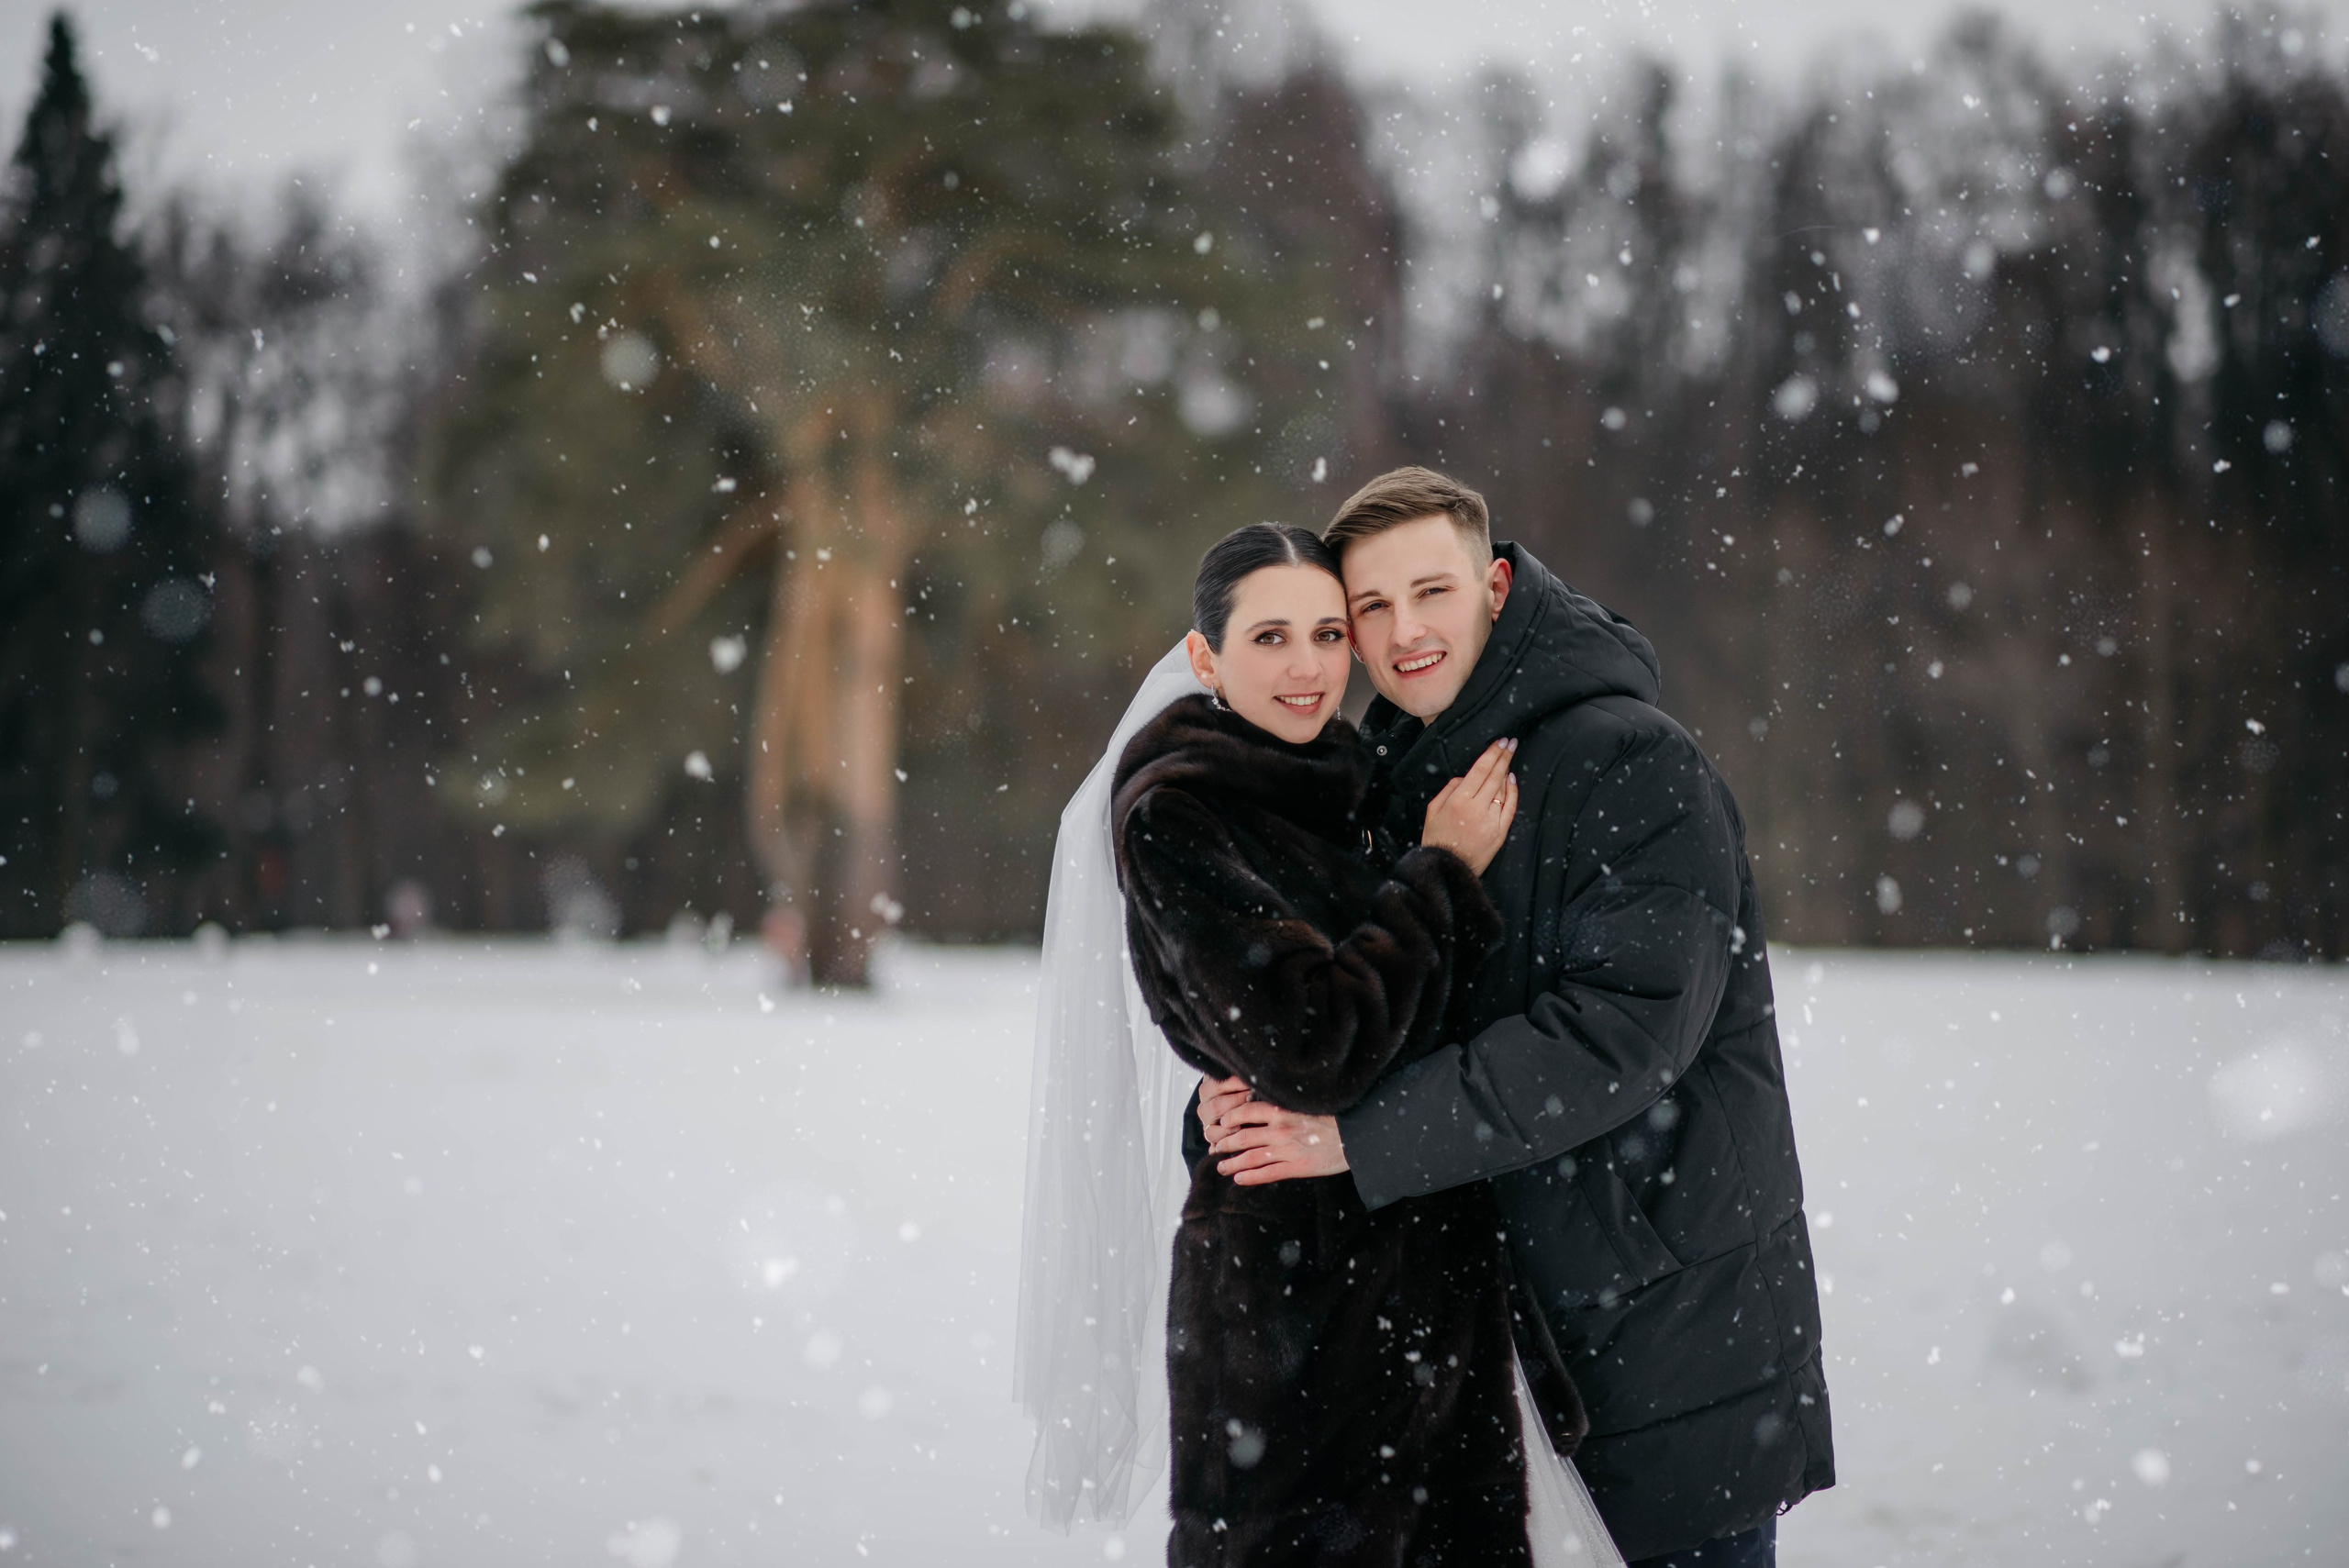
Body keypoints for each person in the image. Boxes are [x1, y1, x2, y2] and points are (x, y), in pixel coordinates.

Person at [1195, 471, 1833, 1567]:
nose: (1403, 634)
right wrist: (1282, 1075)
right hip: (1496, 1346)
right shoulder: (1399, 779)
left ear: (1494, 585)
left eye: (1429, 592)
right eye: (1373, 609)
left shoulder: (1631, 761)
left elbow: (1619, 1034)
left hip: (1657, 1333)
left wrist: (1356, 1137)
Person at [1017, 522, 1622, 1567]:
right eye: (1268, 638)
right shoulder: (1179, 812)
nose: (1306, 666)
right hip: (1290, 1307)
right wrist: (1441, 871)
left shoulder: (1353, 784)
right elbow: (1312, 1043)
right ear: (1205, 657)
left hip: (1429, 1284)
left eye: (1328, 632)